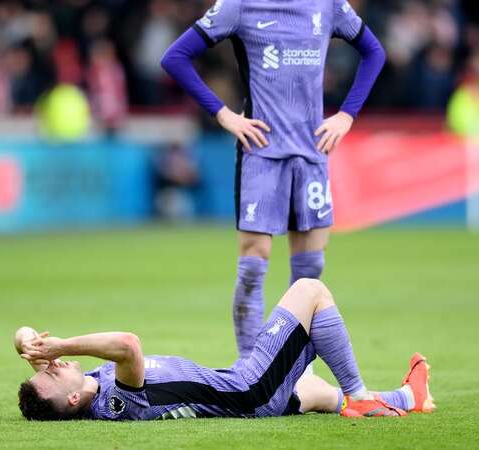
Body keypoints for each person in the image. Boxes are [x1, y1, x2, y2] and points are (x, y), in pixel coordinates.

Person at [160, 0, 386, 358]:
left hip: (311, 152)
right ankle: (250, 369)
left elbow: (374, 52)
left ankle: (296, 367)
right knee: (253, 261)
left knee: (310, 269)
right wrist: (224, 115)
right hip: (260, 151)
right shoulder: (239, 6)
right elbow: (175, 57)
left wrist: (346, 115)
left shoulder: (327, 5)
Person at [15, 279, 435, 421]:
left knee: (323, 394)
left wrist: (27, 343)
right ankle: (362, 397)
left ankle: (410, 399)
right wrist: (66, 343)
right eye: (52, 371)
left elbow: (22, 333)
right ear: (71, 399)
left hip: (235, 388)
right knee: (309, 290)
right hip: (249, 388)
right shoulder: (114, 403)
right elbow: (128, 344)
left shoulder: (83, 387)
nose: (56, 362)